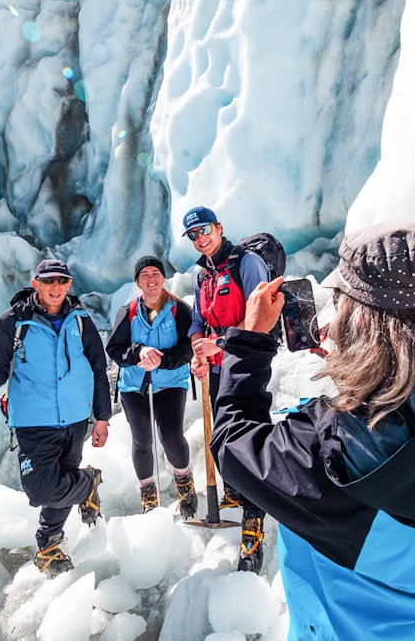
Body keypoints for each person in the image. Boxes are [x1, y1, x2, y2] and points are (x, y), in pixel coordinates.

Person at [210, 219, 415, 639]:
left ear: (364, 324)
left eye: (344, 304)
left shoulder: (328, 458)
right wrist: (364, 361)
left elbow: (234, 443)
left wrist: (247, 342)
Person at [0, 258, 110, 576]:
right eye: (49, 280)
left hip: (76, 417)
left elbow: (98, 368)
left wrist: (103, 417)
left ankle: (49, 544)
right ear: (36, 284)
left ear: (68, 285)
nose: (56, 286)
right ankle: (88, 484)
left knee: (62, 477)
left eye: (62, 281)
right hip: (33, 420)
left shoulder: (80, 320)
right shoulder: (14, 321)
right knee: (41, 489)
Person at [181, 205, 270, 573]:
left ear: (219, 227)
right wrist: (198, 351)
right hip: (218, 369)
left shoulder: (246, 264)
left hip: (246, 364)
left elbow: (261, 316)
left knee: (246, 443)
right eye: (194, 235)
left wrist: (219, 345)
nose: (201, 238)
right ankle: (236, 489)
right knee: (223, 438)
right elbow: (198, 321)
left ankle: (253, 531)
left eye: (205, 230)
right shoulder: (203, 275)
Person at [105, 256, 199, 519]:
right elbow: (114, 349)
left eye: (155, 273)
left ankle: (183, 479)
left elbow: (188, 347)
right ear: (138, 282)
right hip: (134, 384)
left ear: (163, 278)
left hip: (170, 381)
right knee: (142, 439)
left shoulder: (179, 310)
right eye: (144, 274)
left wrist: (163, 359)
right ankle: (148, 492)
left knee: (170, 434)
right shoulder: (128, 312)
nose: (151, 278)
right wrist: (139, 354)